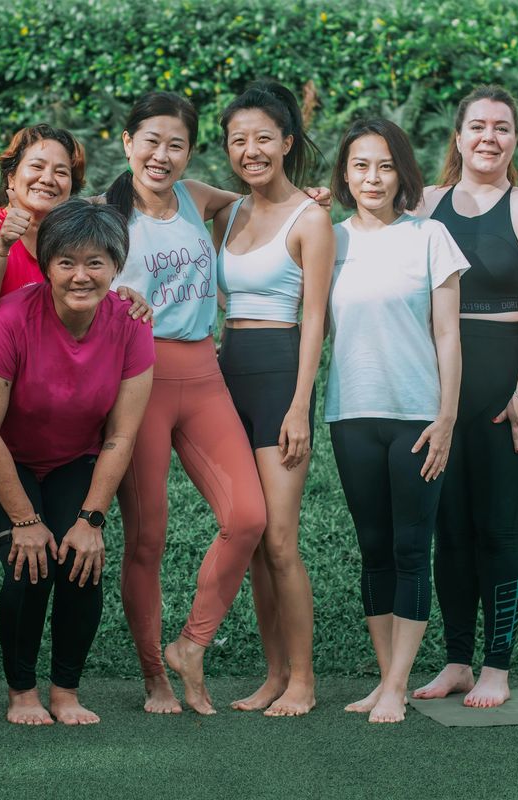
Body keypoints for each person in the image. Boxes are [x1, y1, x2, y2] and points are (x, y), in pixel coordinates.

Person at [105, 91, 268, 715]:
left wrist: (306, 203)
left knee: (247, 516)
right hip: (137, 382)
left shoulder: (198, 198)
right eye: (151, 141)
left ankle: (191, 644)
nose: (162, 155)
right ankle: (155, 677)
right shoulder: (103, 213)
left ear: (190, 152)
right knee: (147, 537)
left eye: (176, 144)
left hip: (204, 372)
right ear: (126, 141)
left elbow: (260, 203)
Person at [0, 199, 154, 726]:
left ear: (116, 267)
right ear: (47, 264)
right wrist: (25, 522)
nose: (81, 275)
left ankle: (66, 690)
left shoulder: (131, 324)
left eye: (96, 262)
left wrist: (92, 520)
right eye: (66, 261)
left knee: (81, 560)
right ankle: (21, 692)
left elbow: (121, 435)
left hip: (75, 458)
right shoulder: (10, 320)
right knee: (31, 563)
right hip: (0, 456)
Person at [410, 85, 518, 708]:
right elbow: (359, 213)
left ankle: (497, 666)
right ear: (458, 136)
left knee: (498, 528)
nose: (488, 138)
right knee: (448, 529)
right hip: (438, 391)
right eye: (477, 126)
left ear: (514, 141)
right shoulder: (424, 204)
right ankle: (456, 662)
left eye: (502, 128)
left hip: (508, 391)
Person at [327, 119, 465, 723]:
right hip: (350, 414)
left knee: (412, 548)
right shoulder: (327, 240)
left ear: (401, 172)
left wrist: (447, 418)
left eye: (384, 166)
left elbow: (448, 333)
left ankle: (398, 682)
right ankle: (387, 680)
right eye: (360, 166)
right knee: (373, 548)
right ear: (345, 174)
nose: (372, 177)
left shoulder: (430, 236)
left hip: (417, 416)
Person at [206, 80, 334, 717]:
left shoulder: (311, 218)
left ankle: (305, 679)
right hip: (229, 374)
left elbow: (316, 319)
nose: (250, 149)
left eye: (263, 138)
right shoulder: (228, 212)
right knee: (252, 536)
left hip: (283, 373)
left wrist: (299, 406)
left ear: (287, 141)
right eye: (238, 140)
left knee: (281, 540)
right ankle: (273, 673)